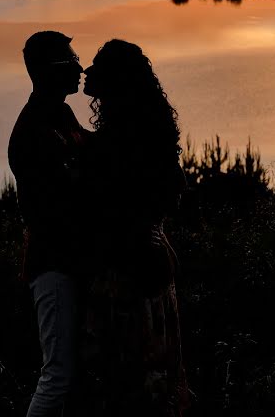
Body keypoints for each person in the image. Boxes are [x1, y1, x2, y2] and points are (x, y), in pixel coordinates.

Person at [81, 39, 190, 417]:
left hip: (127, 279)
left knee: (130, 380)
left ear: (115, 83)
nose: (86, 72)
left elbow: (107, 208)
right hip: (152, 268)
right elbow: (174, 190)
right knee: (154, 377)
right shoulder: (149, 133)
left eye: (97, 67)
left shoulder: (116, 143)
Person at [8, 31, 89, 417]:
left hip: (71, 262)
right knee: (57, 374)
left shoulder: (61, 114)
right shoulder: (30, 133)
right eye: (70, 60)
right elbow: (60, 201)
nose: (79, 67)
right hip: (52, 267)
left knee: (74, 376)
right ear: (47, 70)